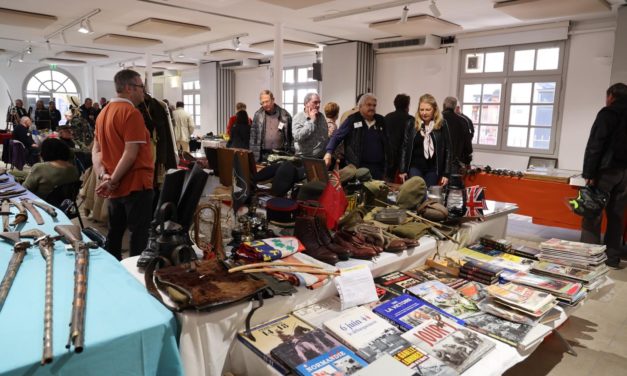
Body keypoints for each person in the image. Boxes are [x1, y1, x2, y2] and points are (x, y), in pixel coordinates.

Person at [92, 69, 154, 260]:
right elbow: (130, 153)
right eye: (141, 87)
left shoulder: (103, 113)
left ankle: (114, 274)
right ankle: (137, 278)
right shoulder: (131, 113)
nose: (143, 92)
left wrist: (104, 175)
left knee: (115, 232)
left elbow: (96, 151)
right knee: (138, 235)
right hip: (135, 183)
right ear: (129, 88)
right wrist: (111, 180)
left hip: (115, 185)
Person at [581, 82, 627, 268]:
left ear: (611, 96)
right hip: (625, 174)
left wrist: (589, 172)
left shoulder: (608, 113)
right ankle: (612, 258)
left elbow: (596, 144)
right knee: (616, 216)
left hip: (606, 171)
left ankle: (588, 258)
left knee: (592, 213)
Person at [324, 93, 388, 180]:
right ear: (360, 106)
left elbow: (388, 143)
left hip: (377, 169)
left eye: (374, 105)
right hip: (357, 168)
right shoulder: (352, 120)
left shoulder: (381, 120)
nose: (372, 108)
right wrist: (328, 153)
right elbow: (336, 137)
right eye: (369, 105)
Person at [399, 94, 451, 187]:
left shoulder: (442, 124)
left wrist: (446, 173)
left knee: (428, 196)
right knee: (416, 193)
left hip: (433, 169)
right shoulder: (411, 123)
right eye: (421, 109)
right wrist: (402, 170)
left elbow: (448, 149)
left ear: (434, 110)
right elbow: (405, 147)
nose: (424, 113)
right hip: (415, 167)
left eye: (428, 109)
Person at [250, 89, 294, 162]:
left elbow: (292, 136)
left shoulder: (285, 115)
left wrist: (292, 153)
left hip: (281, 154)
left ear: (273, 100)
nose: (265, 104)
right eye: (262, 102)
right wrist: (253, 157)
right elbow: (253, 137)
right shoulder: (258, 115)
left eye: (267, 101)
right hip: (264, 155)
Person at [384, 94, 414, 181]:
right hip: (405, 156)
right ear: (407, 105)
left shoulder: (387, 117)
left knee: (388, 180)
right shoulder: (410, 119)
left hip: (389, 154)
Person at [442, 96, 472, 174]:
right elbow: (468, 146)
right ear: (455, 107)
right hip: (455, 162)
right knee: (452, 185)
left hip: (437, 162)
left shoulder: (437, 119)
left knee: (432, 185)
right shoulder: (463, 121)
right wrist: (467, 162)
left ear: (444, 105)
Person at [293, 93, 328, 159]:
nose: (318, 105)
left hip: (320, 158)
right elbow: (298, 137)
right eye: (315, 102)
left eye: (319, 102)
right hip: (304, 159)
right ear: (306, 103)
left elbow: (324, 136)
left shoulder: (321, 116)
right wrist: (311, 121)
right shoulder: (298, 117)